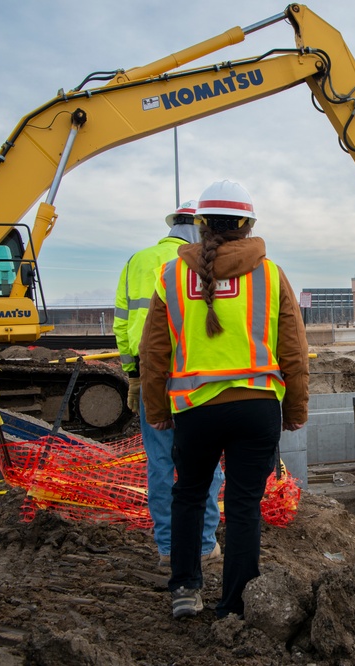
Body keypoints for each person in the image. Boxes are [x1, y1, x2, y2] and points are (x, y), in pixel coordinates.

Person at [139, 179, 309, 621]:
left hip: (195, 411)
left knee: (189, 495)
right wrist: (295, 410)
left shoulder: (172, 275)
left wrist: (156, 410)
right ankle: (234, 602)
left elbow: (154, 353)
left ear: (199, 224)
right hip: (257, 409)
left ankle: (184, 589)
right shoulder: (270, 274)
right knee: (243, 503)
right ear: (247, 224)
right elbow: (293, 349)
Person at [113, 200, 225, 570]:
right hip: (194, 379)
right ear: (199, 226)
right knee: (205, 464)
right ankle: (205, 545)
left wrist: (132, 374)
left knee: (160, 464)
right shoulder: (199, 263)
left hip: (151, 377)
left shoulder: (137, 261)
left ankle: (167, 549)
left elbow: (121, 324)